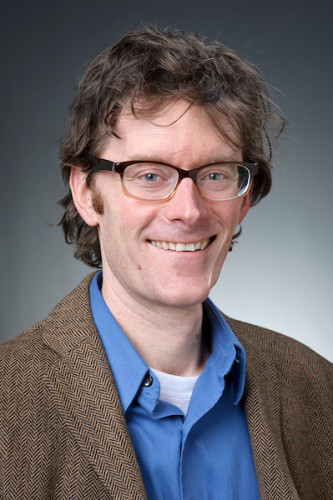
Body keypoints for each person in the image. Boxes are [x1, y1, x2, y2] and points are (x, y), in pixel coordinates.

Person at [0, 25, 332, 500]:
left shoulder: (318, 389)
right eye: (150, 175)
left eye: (215, 174)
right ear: (86, 193)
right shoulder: (7, 401)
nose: (189, 210)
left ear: (243, 201)